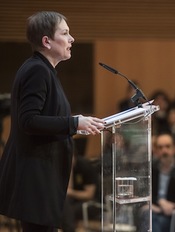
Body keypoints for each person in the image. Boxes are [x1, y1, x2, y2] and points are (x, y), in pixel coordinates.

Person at [0, 11, 105, 232]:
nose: (72, 39)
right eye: (65, 33)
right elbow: (28, 121)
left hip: (41, 176)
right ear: (46, 41)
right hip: (35, 178)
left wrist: (77, 125)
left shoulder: (44, 70)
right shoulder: (37, 70)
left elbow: (47, 121)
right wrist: (74, 123)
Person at [141, 133, 175, 232]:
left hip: (173, 216)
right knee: (149, 216)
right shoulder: (151, 170)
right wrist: (159, 203)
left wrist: (171, 206)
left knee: (152, 220)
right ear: (155, 151)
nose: (164, 151)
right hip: (154, 210)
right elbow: (144, 192)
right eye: (160, 147)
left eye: (168, 146)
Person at [62, 154, 98, 232]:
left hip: (92, 202)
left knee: (66, 211)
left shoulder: (84, 166)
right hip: (71, 202)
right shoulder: (62, 168)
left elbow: (89, 195)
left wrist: (70, 193)